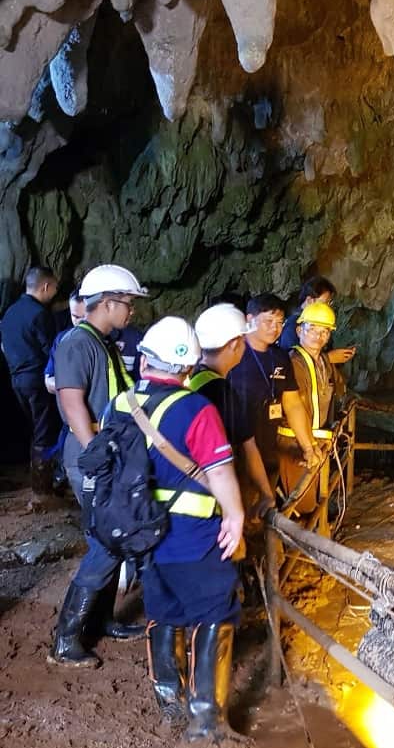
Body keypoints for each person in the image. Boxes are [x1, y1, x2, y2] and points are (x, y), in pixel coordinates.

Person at [115, 317, 245, 740]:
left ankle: (169, 700)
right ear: (188, 369)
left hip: (141, 536)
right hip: (191, 538)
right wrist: (235, 517)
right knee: (215, 611)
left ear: (144, 359)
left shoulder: (119, 403)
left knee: (163, 612)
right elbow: (220, 471)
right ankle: (207, 721)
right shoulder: (196, 408)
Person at [48, 264, 148, 668]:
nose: (132, 312)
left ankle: (102, 620)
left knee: (112, 541)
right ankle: (66, 638)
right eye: (128, 304)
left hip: (108, 453)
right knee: (107, 544)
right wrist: (98, 454)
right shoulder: (77, 342)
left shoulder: (102, 342)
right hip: (92, 457)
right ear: (107, 303)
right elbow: (72, 402)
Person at [190, 303, 273, 517]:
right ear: (235, 344)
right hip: (215, 500)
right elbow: (248, 446)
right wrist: (266, 493)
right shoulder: (222, 391)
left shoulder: (191, 378)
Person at [227, 294, 302, 498]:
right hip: (235, 450)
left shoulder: (280, 357)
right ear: (249, 319)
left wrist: (308, 446)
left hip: (268, 445)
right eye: (268, 321)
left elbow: (292, 403)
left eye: (280, 322)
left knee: (264, 506)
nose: (275, 328)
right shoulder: (231, 353)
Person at [277, 301, 342, 531]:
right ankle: (298, 559)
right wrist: (309, 445)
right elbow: (292, 405)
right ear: (299, 330)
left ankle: (309, 551)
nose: (318, 336)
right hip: (296, 443)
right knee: (300, 502)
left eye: (324, 331)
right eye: (312, 329)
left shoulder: (322, 361)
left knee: (314, 497)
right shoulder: (294, 362)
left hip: (316, 441)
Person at [1, 266, 60, 497]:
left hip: (16, 380)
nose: (56, 292)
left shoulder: (10, 313)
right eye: (54, 287)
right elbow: (50, 350)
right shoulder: (39, 314)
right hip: (37, 381)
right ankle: (42, 489)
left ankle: (38, 481)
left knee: (35, 430)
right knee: (44, 432)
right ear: (45, 286)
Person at [43, 293, 87, 491]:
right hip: (71, 423)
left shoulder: (116, 340)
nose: (78, 322)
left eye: (83, 317)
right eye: (74, 316)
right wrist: (69, 385)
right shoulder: (62, 340)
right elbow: (48, 380)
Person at [277, 275, 355, 364]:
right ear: (310, 301)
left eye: (330, 302)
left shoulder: (315, 321)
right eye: (325, 302)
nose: (328, 307)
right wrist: (329, 358)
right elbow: (292, 362)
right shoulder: (293, 326)